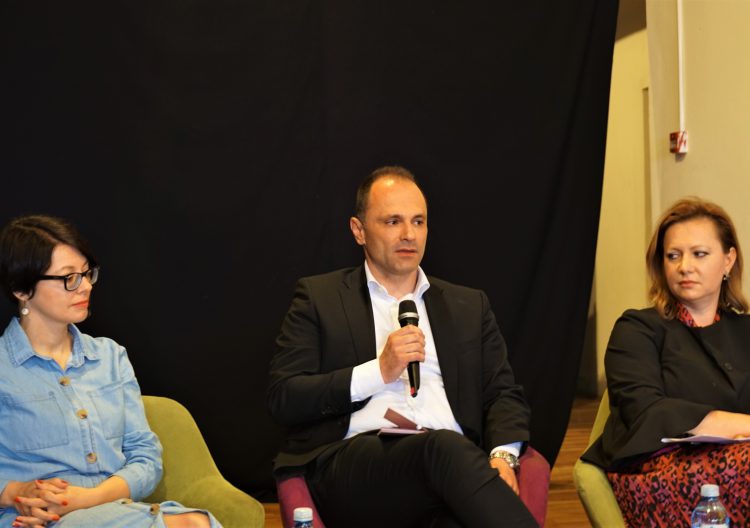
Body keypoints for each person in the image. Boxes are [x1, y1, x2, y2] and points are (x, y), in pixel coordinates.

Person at [267, 166, 537, 527]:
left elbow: (503, 394)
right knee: (441, 447)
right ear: (359, 230)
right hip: (357, 466)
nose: (409, 234)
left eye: (418, 221)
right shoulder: (320, 298)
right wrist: (379, 371)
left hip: (453, 473)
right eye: (393, 221)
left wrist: (503, 456)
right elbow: (285, 397)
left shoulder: (468, 305)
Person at [0, 215, 221, 528]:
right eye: (69, 278)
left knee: (197, 522)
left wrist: (88, 499)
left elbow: (146, 457)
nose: (85, 286)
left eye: (86, 273)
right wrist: (16, 493)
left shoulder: (110, 357)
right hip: (37, 520)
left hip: (115, 512)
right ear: (21, 289)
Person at [582, 197, 750, 526]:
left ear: (728, 260)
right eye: (673, 255)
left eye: (699, 254)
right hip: (656, 471)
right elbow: (646, 410)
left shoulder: (746, 330)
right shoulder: (637, 328)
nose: (684, 266)